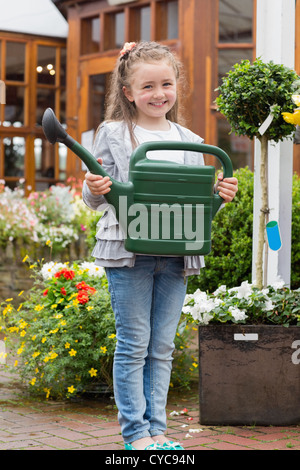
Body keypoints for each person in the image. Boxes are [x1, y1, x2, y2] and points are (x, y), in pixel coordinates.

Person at [82, 41, 238, 450]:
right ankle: (136, 435)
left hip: (176, 253)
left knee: (162, 346)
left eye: (166, 84)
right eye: (147, 86)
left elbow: (196, 204)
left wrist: (219, 193)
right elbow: (96, 196)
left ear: (177, 86)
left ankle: (159, 432)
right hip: (128, 251)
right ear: (129, 92)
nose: (158, 94)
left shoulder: (191, 139)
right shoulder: (113, 134)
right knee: (134, 344)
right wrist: (93, 186)